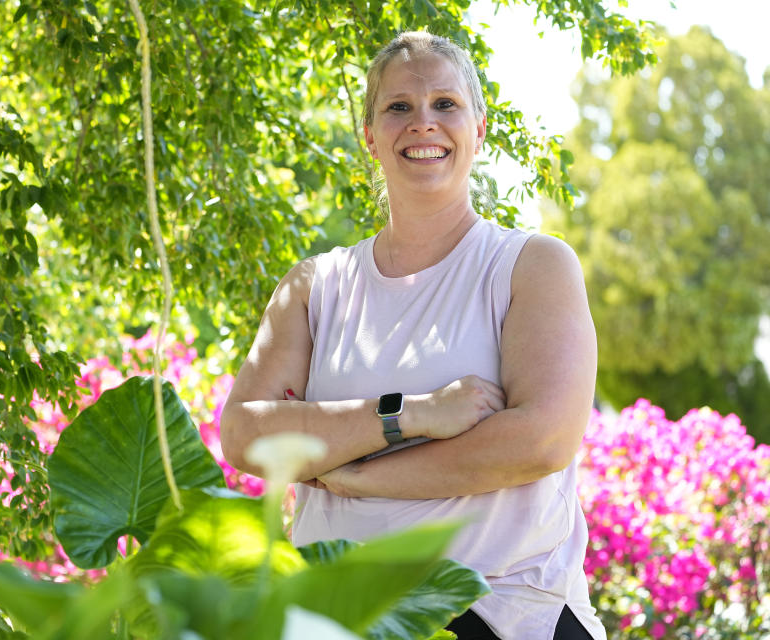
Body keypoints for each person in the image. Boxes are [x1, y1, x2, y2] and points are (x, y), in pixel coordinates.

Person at [220, 30, 604, 640]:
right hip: (334, 616)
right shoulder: (314, 287)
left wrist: (355, 473)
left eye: (445, 105)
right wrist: (416, 414)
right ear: (370, 136)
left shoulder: (531, 266)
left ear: (479, 128)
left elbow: (540, 441)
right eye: (399, 107)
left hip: (495, 614)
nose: (423, 123)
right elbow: (245, 433)